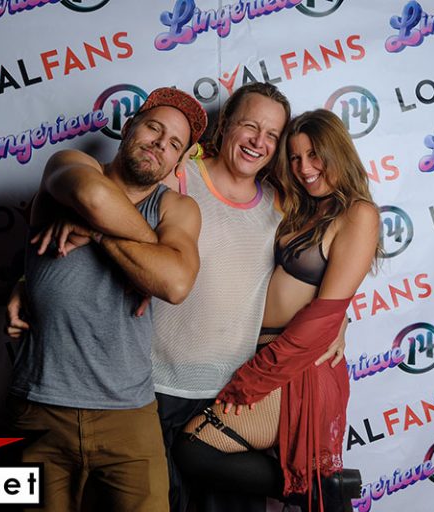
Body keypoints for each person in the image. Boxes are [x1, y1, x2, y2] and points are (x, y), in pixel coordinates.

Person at [6, 84, 349, 511]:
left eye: (272, 135)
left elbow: (319, 262)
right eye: (249, 126)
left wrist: (339, 317)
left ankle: (319, 487)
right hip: (151, 385)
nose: (258, 141)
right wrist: (32, 280)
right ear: (226, 126)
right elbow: (102, 204)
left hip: (227, 390)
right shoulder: (177, 175)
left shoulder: (282, 203)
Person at [6, 87, 207, 512]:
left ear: (178, 162)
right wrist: (149, 254)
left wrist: (98, 233)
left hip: (128, 414)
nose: (160, 144)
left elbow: (174, 284)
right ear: (129, 126)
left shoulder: (178, 209)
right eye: (153, 128)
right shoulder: (70, 164)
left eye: (174, 144)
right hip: (41, 407)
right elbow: (95, 198)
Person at [173, 109, 380, 512]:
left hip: (296, 365)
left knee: (195, 448)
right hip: (267, 354)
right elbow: (231, 164)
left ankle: (321, 490)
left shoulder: (358, 213)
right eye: (296, 157)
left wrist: (252, 379)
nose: (305, 168)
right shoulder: (300, 205)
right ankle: (320, 490)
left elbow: (324, 313)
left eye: (314, 155)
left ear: (337, 152)